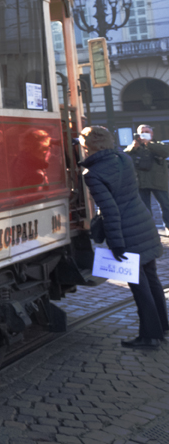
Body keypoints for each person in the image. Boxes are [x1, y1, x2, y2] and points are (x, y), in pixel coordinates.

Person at [80, 125, 169, 349]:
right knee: (152, 278)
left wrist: (116, 244)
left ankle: (150, 336)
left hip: (126, 231)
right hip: (144, 222)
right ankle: (163, 326)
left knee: (139, 286)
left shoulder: (93, 174)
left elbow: (110, 211)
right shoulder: (123, 159)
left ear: (87, 147)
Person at [124, 124, 169, 237]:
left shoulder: (158, 145)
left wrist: (148, 143)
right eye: (142, 132)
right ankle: (149, 230)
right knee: (144, 208)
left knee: (166, 205)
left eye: (147, 131)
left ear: (152, 133)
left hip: (158, 181)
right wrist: (133, 147)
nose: (144, 134)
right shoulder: (135, 147)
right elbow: (124, 157)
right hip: (141, 182)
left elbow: (165, 151)